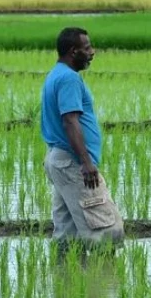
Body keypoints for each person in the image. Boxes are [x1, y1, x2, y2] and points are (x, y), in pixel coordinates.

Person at [40, 28, 124, 252]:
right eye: (87, 48)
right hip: (73, 163)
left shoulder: (56, 74)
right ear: (73, 51)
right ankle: (103, 285)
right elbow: (70, 121)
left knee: (68, 235)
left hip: (60, 161)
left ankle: (66, 281)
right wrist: (86, 163)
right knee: (104, 232)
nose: (92, 52)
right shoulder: (68, 79)